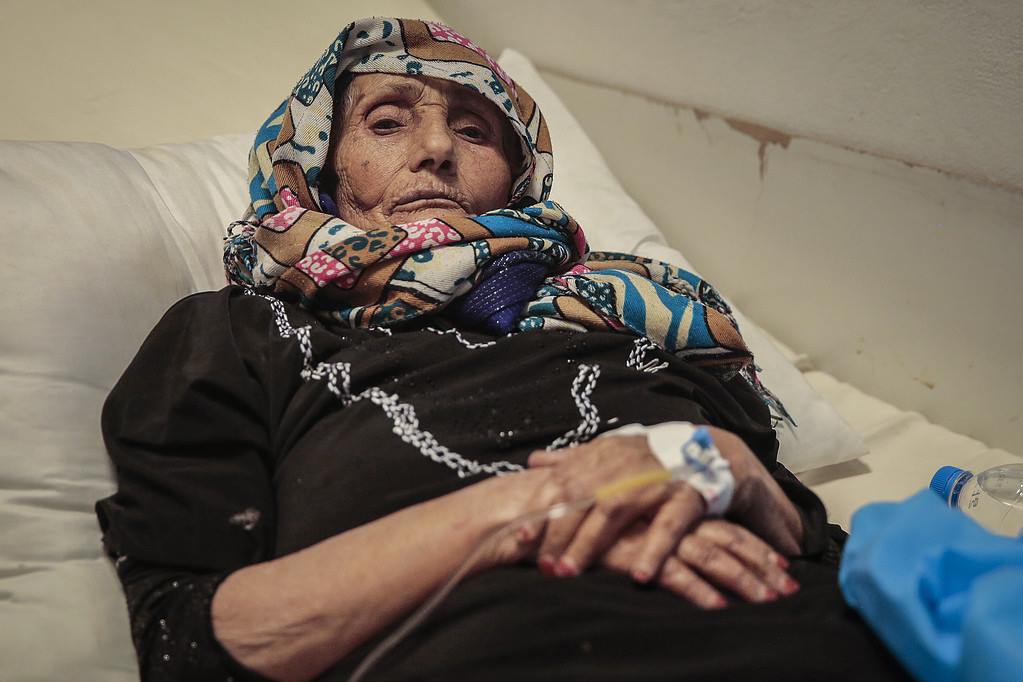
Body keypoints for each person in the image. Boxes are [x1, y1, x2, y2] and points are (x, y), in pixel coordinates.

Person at [96, 17, 908, 682]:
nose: (436, 149)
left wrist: (724, 461)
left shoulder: (637, 310)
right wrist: (535, 505)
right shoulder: (242, 333)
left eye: (474, 129)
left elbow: (805, 533)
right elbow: (188, 639)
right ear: (320, 167)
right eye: (386, 121)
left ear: (515, 178)